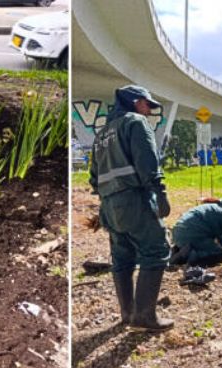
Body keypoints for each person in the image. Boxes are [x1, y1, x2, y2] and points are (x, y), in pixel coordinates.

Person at [89, 85, 173, 330]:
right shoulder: (135, 122)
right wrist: (160, 192)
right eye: (149, 105)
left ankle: (127, 314)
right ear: (137, 102)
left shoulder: (102, 134)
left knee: (122, 257)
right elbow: (147, 160)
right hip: (134, 199)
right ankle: (144, 317)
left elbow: (94, 176)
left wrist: (107, 202)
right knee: (156, 250)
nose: (149, 111)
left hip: (109, 205)